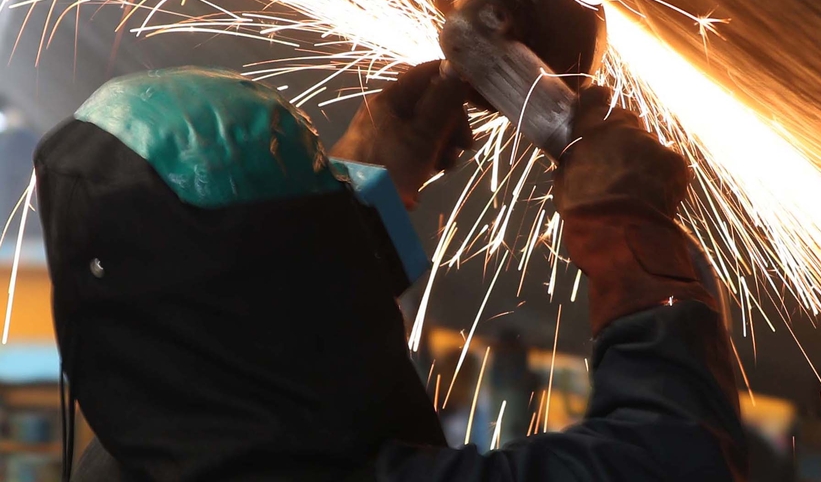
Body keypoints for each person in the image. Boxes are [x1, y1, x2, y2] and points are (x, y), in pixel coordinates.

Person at [34, 61, 746, 481]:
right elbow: (673, 458)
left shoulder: (153, 431)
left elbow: (253, 327)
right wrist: (628, 236)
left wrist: (372, 179)